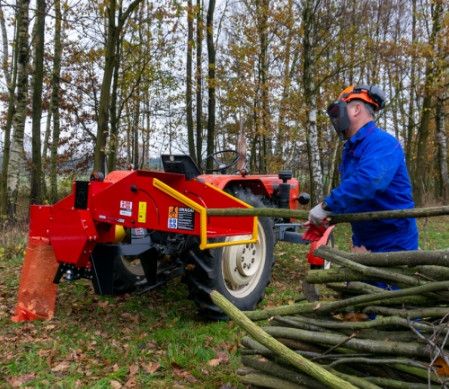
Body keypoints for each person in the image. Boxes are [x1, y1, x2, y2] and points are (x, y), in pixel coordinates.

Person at [308, 85, 418, 254]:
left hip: (394, 243)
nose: (336, 119)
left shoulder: (383, 143)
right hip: (364, 240)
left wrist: (327, 206)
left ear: (356, 109)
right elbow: (356, 197)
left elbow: (368, 182)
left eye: (339, 111)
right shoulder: (351, 149)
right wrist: (331, 216)